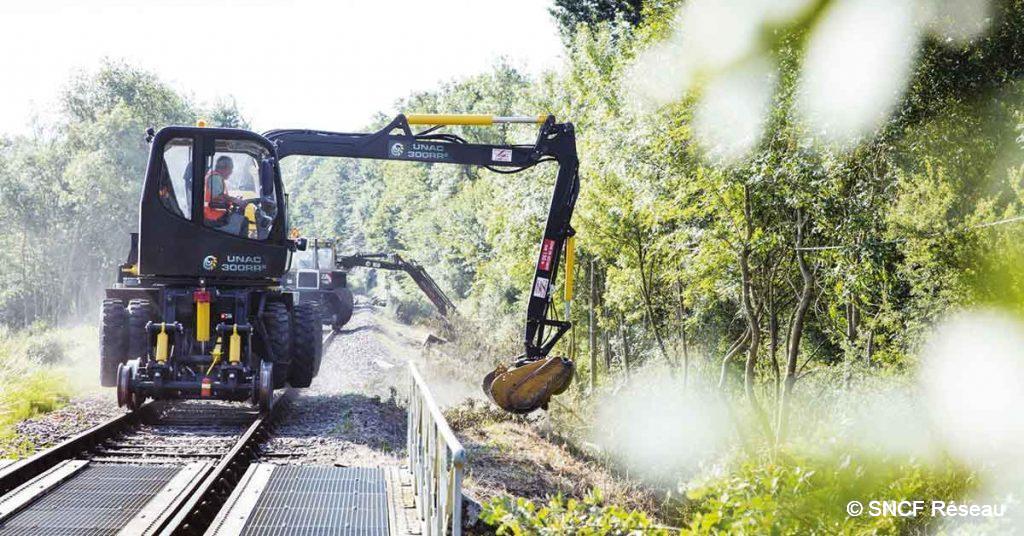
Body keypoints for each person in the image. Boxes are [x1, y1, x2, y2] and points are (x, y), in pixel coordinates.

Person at [204, 156, 246, 234]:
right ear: (225, 168)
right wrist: (235, 200)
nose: (231, 172)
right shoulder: (215, 178)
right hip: (214, 218)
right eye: (231, 169)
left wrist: (233, 200)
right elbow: (217, 196)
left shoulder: (214, 176)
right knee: (243, 221)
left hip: (213, 216)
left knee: (238, 219)